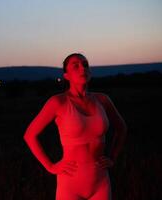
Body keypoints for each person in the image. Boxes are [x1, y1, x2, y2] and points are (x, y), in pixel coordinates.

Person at [23, 53, 127, 200]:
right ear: (66, 75)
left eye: (85, 65)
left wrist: (113, 157)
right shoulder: (58, 102)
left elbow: (122, 128)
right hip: (70, 183)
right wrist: (51, 167)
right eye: (76, 66)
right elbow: (29, 135)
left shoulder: (102, 100)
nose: (82, 68)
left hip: (101, 181)